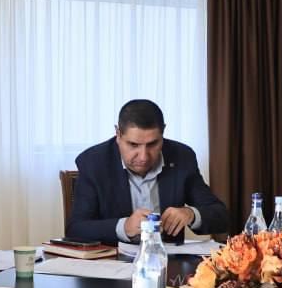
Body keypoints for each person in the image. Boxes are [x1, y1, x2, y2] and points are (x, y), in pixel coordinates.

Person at [67, 99, 229, 244]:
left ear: (163, 133)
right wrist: (124, 227)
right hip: (113, 261)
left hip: (168, 261)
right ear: (118, 135)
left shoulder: (182, 157)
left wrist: (191, 214)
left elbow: (221, 216)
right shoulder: (93, 162)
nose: (143, 157)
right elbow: (76, 229)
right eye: (133, 145)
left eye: (152, 144)